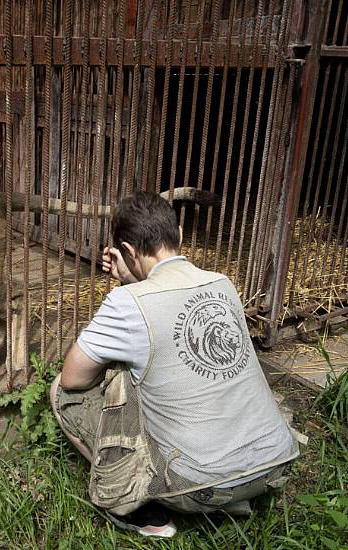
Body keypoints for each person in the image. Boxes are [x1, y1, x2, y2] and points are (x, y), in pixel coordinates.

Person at [50, 191, 299, 538]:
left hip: (197, 486)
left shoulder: (126, 302)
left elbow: (73, 378)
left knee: (65, 393)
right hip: (276, 466)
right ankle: (239, 492)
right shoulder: (223, 284)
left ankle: (136, 505)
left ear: (129, 252)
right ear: (180, 234)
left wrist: (126, 285)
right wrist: (132, 277)